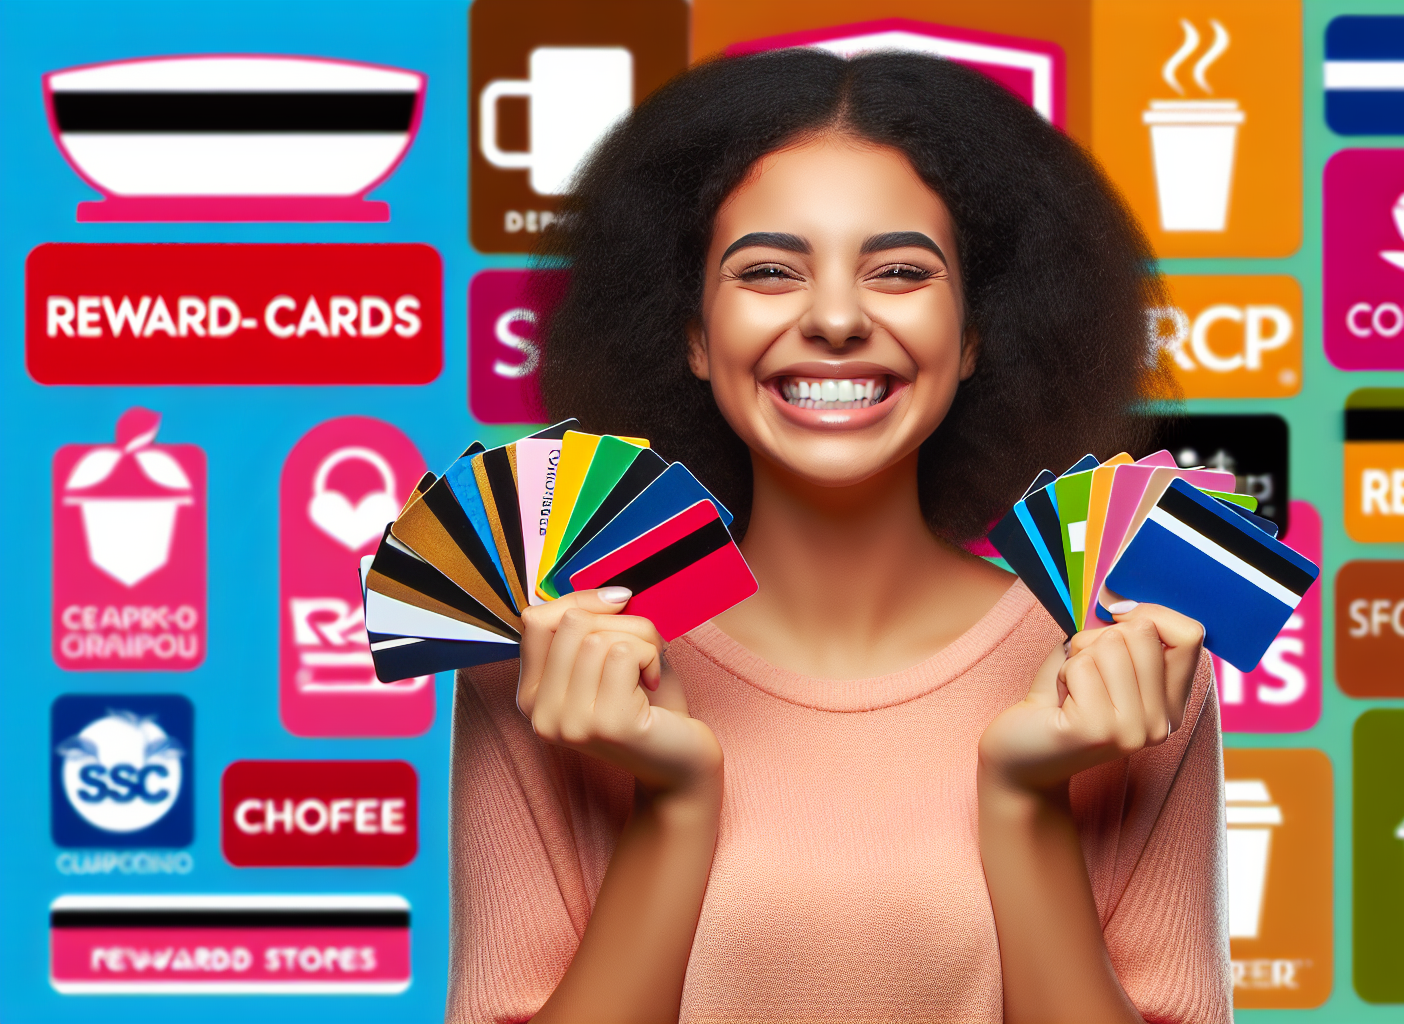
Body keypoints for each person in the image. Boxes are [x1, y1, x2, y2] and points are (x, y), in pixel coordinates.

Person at [447, 49, 1231, 1024]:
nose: (832, 318)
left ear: (974, 333)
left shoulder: (1125, 661)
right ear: (690, 331)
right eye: (769, 270)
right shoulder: (546, 665)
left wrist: (1028, 808)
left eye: (899, 270)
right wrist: (672, 806)